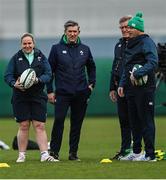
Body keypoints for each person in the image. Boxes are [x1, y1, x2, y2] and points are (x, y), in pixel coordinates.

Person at [4, 33, 58, 163]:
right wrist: (14, 84)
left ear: (33, 44)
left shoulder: (41, 57)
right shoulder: (16, 58)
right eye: (25, 43)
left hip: (38, 95)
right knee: (23, 125)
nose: (27, 45)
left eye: (29, 43)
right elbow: (8, 75)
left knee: (39, 125)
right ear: (21, 44)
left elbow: (48, 74)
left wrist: (37, 80)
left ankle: (44, 154)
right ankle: (21, 155)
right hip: (20, 96)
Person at [47, 20, 96, 161]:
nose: (72, 34)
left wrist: (91, 84)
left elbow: (91, 67)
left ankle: (73, 153)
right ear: (65, 32)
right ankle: (54, 152)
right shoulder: (56, 49)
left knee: (76, 124)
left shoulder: (85, 49)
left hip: (81, 93)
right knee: (59, 121)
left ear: (78, 32)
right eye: (70, 32)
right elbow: (49, 71)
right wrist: (50, 91)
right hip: (62, 93)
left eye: (75, 31)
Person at [118, 12, 158, 161]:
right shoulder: (130, 43)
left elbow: (153, 62)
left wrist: (138, 73)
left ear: (137, 29)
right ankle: (136, 152)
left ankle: (150, 154)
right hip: (130, 89)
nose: (127, 30)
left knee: (146, 120)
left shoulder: (146, 42)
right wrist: (122, 84)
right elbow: (127, 66)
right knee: (134, 121)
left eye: (130, 28)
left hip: (145, 89)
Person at [109, 15, 132, 160]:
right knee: (124, 120)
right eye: (122, 27)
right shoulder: (118, 45)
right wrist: (112, 87)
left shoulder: (139, 43)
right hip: (120, 88)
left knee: (136, 120)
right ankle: (125, 150)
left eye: (127, 27)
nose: (124, 30)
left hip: (134, 88)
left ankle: (138, 150)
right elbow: (115, 66)